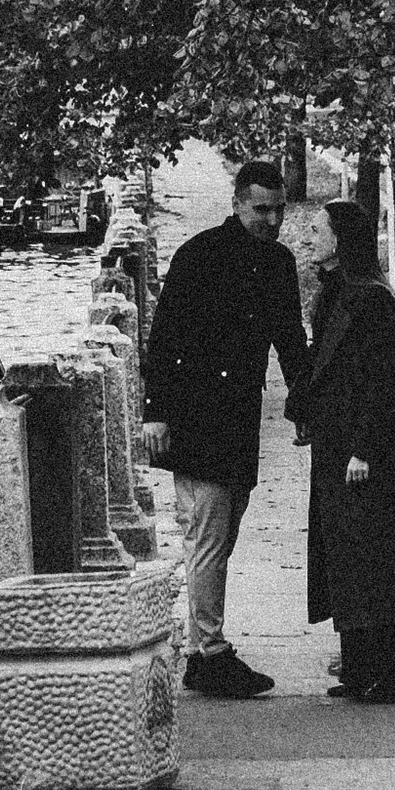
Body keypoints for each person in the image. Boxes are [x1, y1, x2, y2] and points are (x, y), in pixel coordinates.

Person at [141, 159, 310, 699]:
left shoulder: (280, 264)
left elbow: (289, 340)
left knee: (223, 532)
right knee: (208, 535)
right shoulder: (199, 255)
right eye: (261, 209)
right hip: (193, 414)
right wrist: (155, 411)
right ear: (236, 202)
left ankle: (201, 645)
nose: (272, 219)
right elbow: (164, 337)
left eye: (279, 209)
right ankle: (207, 652)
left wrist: (303, 402)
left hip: (238, 416)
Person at [302, 199, 395, 704]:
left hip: (369, 452)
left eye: (319, 229)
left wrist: (363, 449)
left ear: (342, 240)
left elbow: (384, 384)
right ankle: (362, 669)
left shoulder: (373, 299)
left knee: (374, 559)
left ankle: (393, 672)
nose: (311, 235)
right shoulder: (338, 292)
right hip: (339, 444)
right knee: (351, 559)